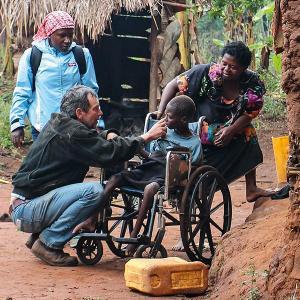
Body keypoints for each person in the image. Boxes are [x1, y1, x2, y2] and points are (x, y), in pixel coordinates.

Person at [9, 85, 167, 267]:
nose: (100, 113)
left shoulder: (63, 123)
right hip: (27, 210)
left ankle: (39, 236)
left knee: (86, 193)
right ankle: (47, 243)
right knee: (93, 192)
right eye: (96, 109)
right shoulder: (73, 132)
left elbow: (95, 138)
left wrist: (109, 133)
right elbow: (109, 152)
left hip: (27, 204)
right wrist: (146, 137)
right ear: (79, 112)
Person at [157, 41, 273, 204]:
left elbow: (250, 112)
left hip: (228, 128)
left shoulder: (252, 83)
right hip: (197, 128)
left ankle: (251, 188)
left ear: (243, 69)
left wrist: (232, 130)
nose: (226, 69)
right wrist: (160, 111)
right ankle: (198, 182)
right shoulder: (204, 72)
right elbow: (172, 85)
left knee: (248, 133)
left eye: (233, 67)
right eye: (224, 63)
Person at [97, 95, 202, 256]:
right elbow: (149, 155)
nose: (165, 119)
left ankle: (135, 236)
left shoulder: (194, 143)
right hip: (148, 168)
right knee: (114, 179)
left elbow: (192, 168)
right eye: (165, 114)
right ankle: (92, 219)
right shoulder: (162, 132)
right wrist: (140, 148)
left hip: (168, 176)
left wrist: (176, 161)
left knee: (150, 189)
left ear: (184, 119)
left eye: (170, 117)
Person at [10, 11, 98, 147]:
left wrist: (96, 121)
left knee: (73, 167)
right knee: (44, 167)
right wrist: (17, 124)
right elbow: (22, 92)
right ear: (50, 33)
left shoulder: (81, 55)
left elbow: (91, 92)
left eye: (70, 35)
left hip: (75, 128)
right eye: (62, 35)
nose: (67, 40)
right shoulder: (33, 55)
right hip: (43, 129)